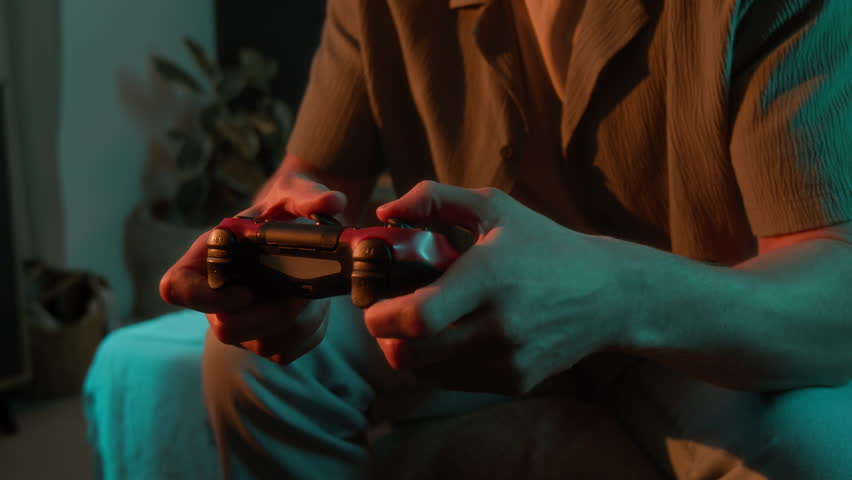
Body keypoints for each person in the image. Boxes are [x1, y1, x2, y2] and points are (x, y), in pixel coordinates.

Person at [158, 0, 852, 478]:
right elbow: (312, 173)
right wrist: (274, 253)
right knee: (252, 365)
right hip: (469, 300)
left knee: (817, 449)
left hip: (697, 323)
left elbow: (835, 292)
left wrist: (611, 295)